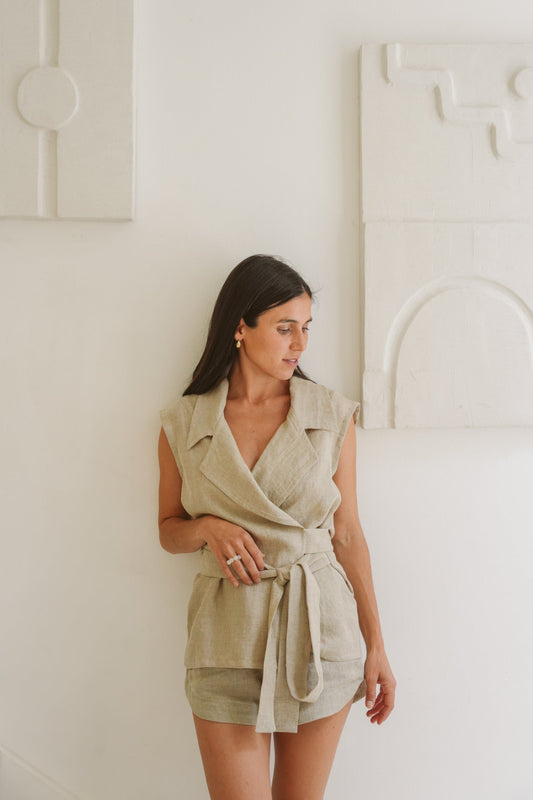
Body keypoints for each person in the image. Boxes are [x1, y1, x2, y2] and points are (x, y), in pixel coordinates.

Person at [157, 254, 396, 800]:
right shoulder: (185, 422)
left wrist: (376, 645)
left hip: (321, 632)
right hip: (225, 637)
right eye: (285, 327)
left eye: (306, 327)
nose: (300, 344)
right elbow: (169, 528)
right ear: (240, 328)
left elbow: (348, 534)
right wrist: (208, 529)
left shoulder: (331, 415)